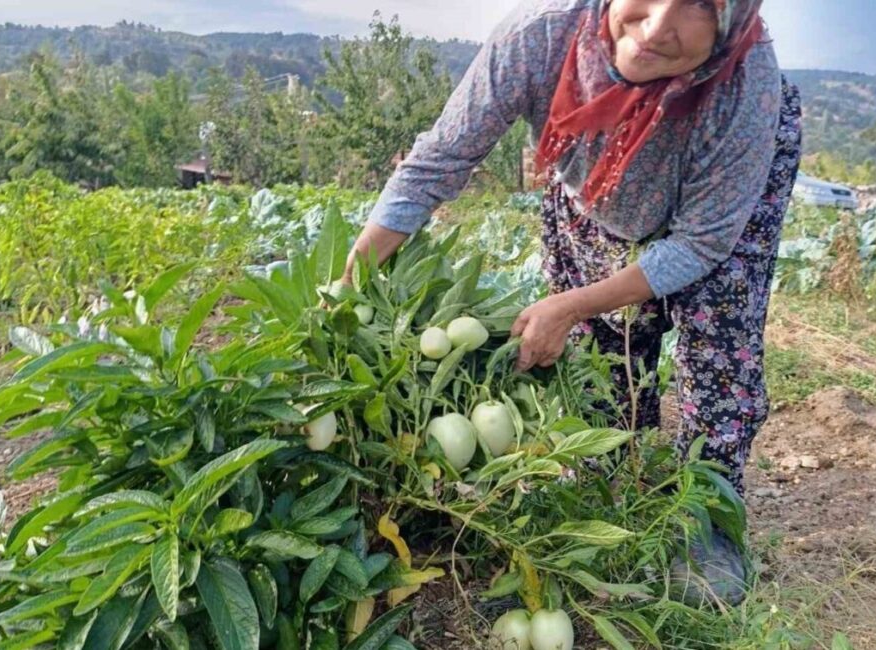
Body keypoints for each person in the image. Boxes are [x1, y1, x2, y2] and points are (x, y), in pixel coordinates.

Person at [341, 0, 802, 605]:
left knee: (720, 334)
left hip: (720, 210)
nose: (657, 27)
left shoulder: (745, 83)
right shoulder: (540, 39)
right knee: (601, 342)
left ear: (732, 17)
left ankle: (708, 510)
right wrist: (354, 277)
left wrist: (569, 305)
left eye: (698, 5)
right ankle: (604, 460)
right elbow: (438, 162)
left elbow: (703, 243)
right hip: (600, 181)